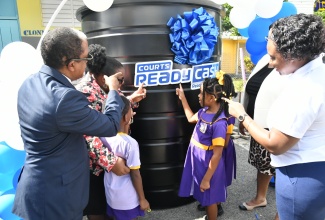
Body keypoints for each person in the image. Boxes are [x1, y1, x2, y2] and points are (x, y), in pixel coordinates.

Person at [12, 27, 126, 220]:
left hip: (38, 188)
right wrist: (113, 91)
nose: (88, 65)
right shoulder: (64, 98)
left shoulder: (30, 82)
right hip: (56, 197)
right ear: (72, 64)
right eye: (86, 59)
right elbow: (110, 125)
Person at [223, 14, 325, 220]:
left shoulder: (303, 91)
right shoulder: (318, 70)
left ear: (294, 56)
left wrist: (242, 116)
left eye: (273, 57)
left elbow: (276, 144)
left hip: (301, 176)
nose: (270, 64)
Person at [75, 44, 146, 220]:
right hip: (93, 168)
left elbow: (109, 111)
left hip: (106, 166)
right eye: (119, 80)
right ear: (102, 77)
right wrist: (111, 162)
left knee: (110, 209)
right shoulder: (84, 92)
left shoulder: (106, 87)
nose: (121, 84)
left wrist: (130, 100)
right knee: (97, 209)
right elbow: (86, 133)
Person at [176, 73, 236, 220]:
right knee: (205, 196)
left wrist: (206, 178)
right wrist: (183, 98)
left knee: (210, 199)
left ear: (212, 98)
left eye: (201, 93)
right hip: (200, 161)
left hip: (209, 164)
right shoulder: (203, 112)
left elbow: (217, 154)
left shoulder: (219, 123)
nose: (198, 95)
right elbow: (191, 118)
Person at [101, 96, 150, 220]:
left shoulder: (102, 137)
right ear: (126, 117)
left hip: (111, 195)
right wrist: (142, 199)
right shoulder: (130, 143)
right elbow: (135, 174)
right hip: (127, 199)